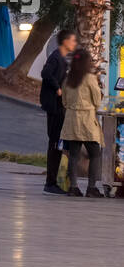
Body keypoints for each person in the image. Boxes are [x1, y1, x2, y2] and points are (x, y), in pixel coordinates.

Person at [61, 48, 104, 197]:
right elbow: (97, 99)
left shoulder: (68, 78)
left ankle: (73, 187)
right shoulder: (90, 78)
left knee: (73, 154)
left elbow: (64, 101)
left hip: (72, 120)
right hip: (87, 120)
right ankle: (91, 188)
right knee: (95, 153)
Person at [40, 28, 77, 194]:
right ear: (65, 41)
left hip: (58, 106)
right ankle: (50, 183)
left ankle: (53, 181)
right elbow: (45, 73)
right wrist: (57, 89)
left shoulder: (62, 59)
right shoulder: (56, 57)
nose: (75, 44)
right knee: (54, 143)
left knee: (56, 143)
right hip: (54, 107)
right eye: (73, 40)